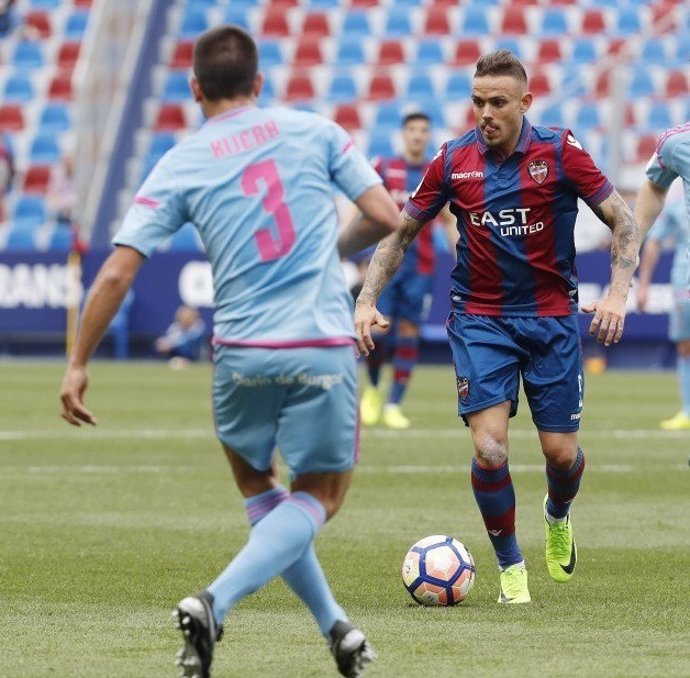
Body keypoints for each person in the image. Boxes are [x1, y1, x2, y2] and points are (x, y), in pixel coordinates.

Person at [60, 25, 399, 678]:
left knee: (259, 490)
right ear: (260, 84)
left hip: (241, 353)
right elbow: (385, 214)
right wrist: (323, 255)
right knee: (320, 496)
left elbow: (115, 274)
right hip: (320, 342)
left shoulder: (181, 161)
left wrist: (77, 363)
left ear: (194, 90)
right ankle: (214, 600)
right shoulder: (315, 130)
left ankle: (338, 631)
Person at [354, 50, 640, 605]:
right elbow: (399, 233)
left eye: (498, 102)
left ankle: (557, 513)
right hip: (480, 319)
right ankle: (511, 566)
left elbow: (623, 221)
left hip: (552, 318)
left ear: (525, 103)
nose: (485, 112)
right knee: (490, 451)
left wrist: (619, 293)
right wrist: (366, 299)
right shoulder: (452, 160)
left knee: (560, 454)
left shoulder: (560, 151)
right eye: (477, 101)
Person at [357, 112, 456, 429]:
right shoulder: (384, 167)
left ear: (428, 136)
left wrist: (463, 258)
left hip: (422, 267)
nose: (417, 135)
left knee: (409, 334)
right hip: (385, 267)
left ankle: (394, 404)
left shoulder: (436, 172)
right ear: (403, 134)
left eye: (423, 130)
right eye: (412, 129)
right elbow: (364, 210)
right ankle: (373, 389)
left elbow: (450, 219)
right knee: (377, 332)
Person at [635, 123, 690, 427]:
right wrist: (640, 281)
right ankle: (687, 409)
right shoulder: (677, 146)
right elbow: (655, 240)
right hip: (685, 279)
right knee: (685, 344)